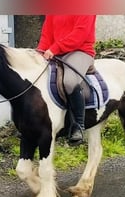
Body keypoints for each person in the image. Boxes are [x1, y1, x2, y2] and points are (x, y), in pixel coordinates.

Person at [37, 15, 97, 145]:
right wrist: (40, 53)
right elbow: (46, 34)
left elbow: (80, 33)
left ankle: (78, 126)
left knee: (69, 82)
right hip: (56, 53)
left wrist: (54, 48)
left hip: (80, 51)